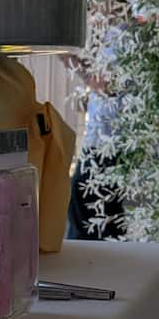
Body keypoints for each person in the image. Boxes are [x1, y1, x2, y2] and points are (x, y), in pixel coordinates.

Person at [66, 68, 123, 239]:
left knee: (86, 204)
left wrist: (73, 61)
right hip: (103, 139)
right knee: (101, 210)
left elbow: (104, 85)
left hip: (107, 142)